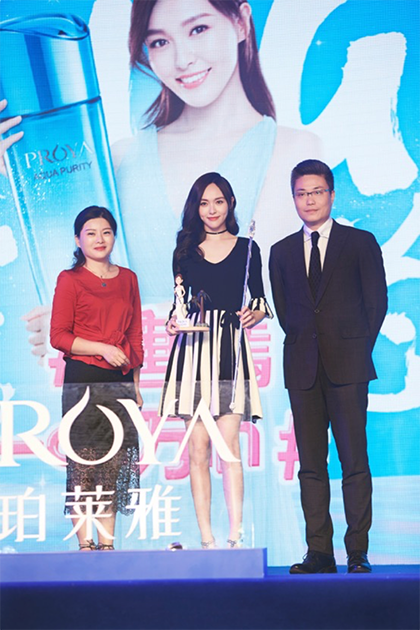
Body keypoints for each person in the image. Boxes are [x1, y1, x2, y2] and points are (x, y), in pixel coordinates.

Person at [269, 159, 387, 574]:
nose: (310, 200)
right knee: (311, 466)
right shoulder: (281, 252)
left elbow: (376, 304)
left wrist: (353, 348)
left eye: (317, 192)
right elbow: (286, 312)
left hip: (348, 368)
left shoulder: (359, 243)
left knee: (354, 461)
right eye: (301, 193)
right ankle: (319, 552)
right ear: (294, 198)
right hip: (303, 370)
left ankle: (357, 552)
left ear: (332, 195)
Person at [160, 172, 272, 548]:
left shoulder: (247, 248)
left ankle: (235, 537)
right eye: (204, 203)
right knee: (198, 449)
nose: (212, 210)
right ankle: (206, 539)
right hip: (192, 352)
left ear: (230, 204)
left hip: (229, 350)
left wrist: (257, 312)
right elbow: (179, 303)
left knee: (229, 447)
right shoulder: (184, 251)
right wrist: (173, 323)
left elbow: (259, 298)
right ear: (196, 207)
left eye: (219, 201)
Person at [50, 206, 144, 550]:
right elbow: (59, 336)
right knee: (83, 464)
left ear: (114, 236)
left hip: (119, 382)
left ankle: (107, 546)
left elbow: (135, 335)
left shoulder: (128, 278)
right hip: (83, 380)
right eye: (91, 233)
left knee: (112, 465)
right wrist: (102, 348)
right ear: (78, 239)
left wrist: (136, 384)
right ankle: (85, 546)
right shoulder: (70, 279)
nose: (99, 239)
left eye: (106, 232)